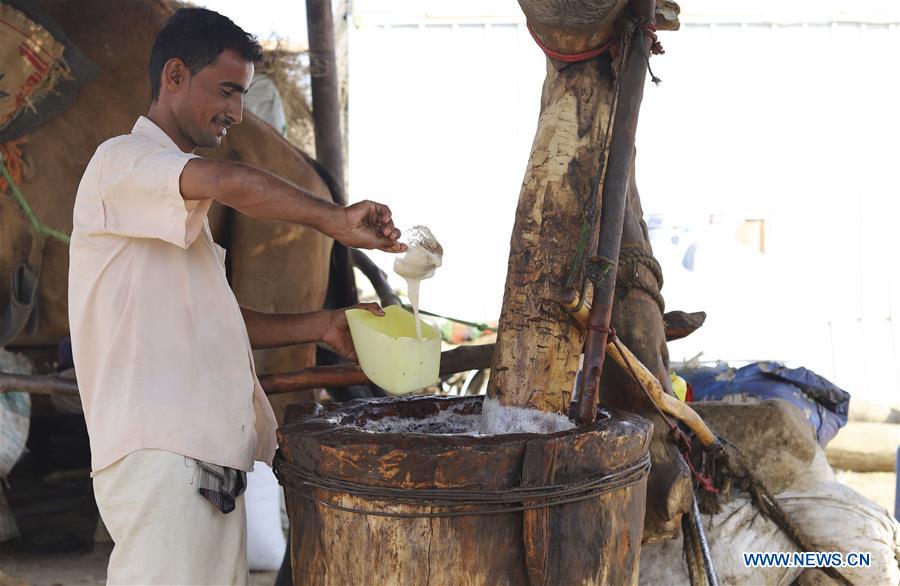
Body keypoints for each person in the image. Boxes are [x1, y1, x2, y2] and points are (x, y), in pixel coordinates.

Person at [67, 8, 405, 585]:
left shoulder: (168, 204)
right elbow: (230, 182)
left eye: (243, 95)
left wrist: (322, 325)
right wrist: (335, 221)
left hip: (201, 460)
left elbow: (218, 318)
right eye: (227, 91)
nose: (237, 113)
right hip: (162, 456)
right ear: (174, 75)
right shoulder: (120, 163)